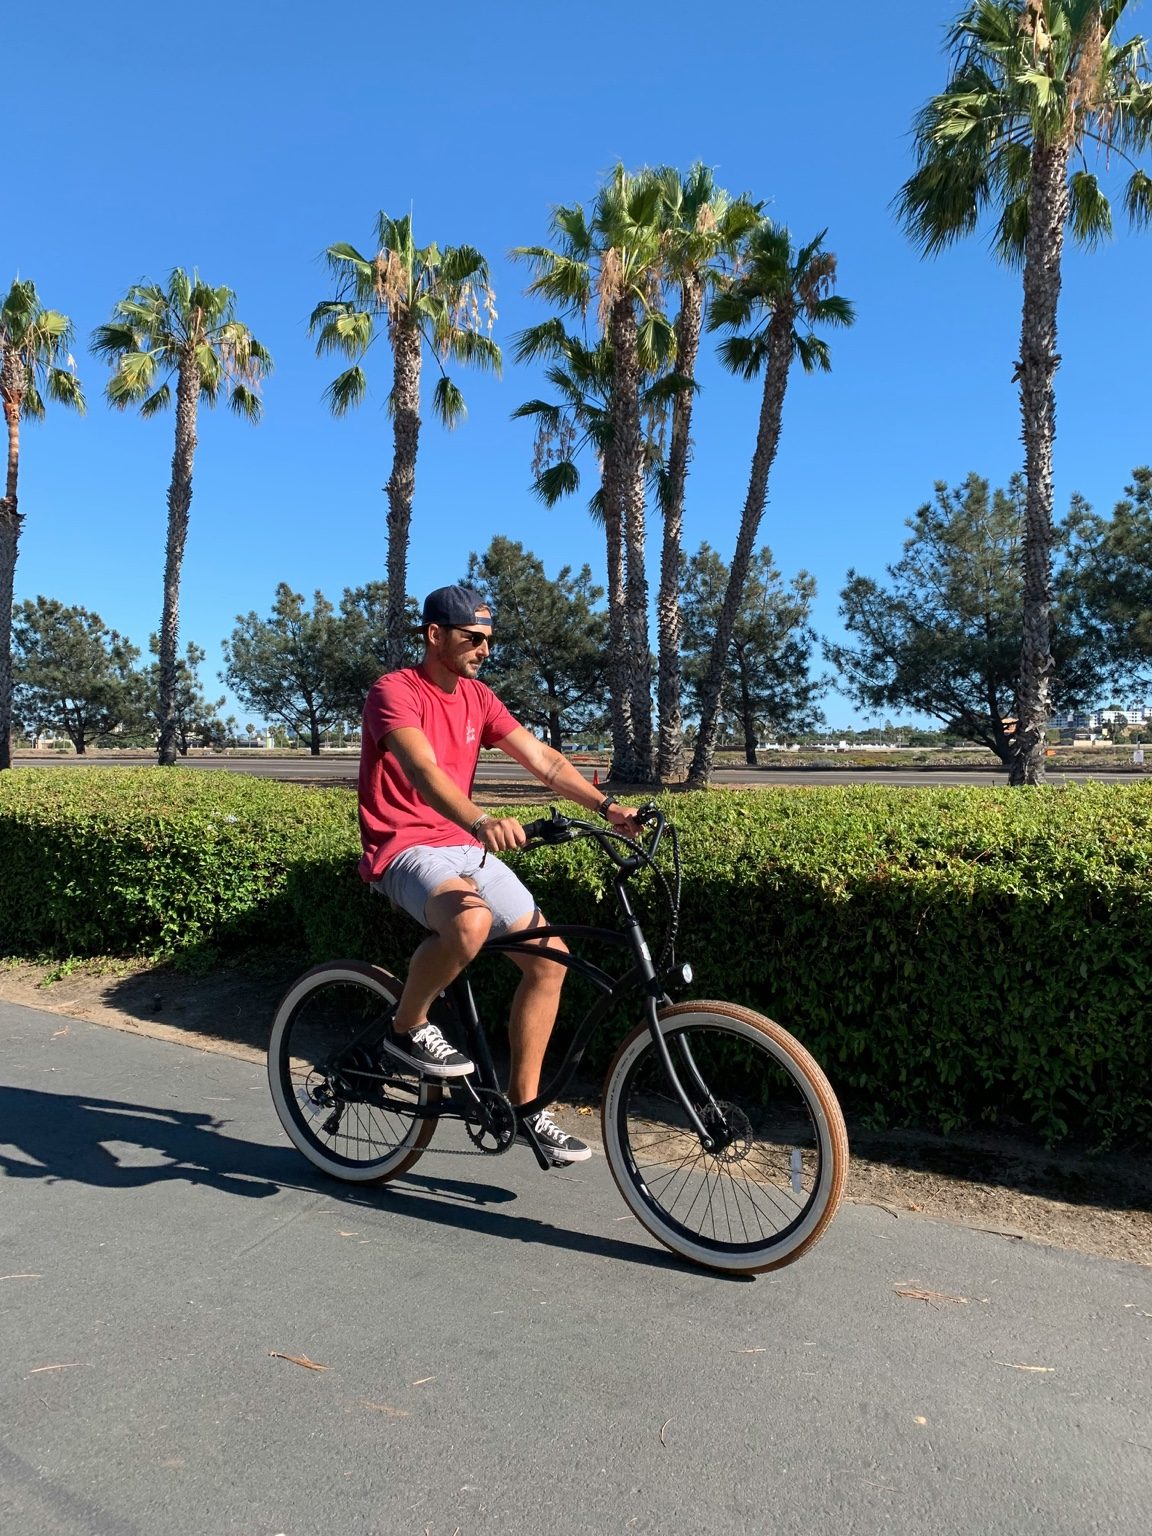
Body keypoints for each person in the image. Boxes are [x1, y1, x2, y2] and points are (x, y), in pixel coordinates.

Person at [357, 583, 642, 1164]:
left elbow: (544, 761)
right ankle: (405, 1028)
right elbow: (422, 771)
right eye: (473, 638)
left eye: (489, 639)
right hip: (404, 845)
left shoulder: (478, 698)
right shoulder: (395, 691)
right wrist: (480, 818)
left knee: (549, 960)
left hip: (462, 847)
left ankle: (526, 1108)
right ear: (435, 635)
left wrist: (609, 810)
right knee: (469, 924)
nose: (485, 649)